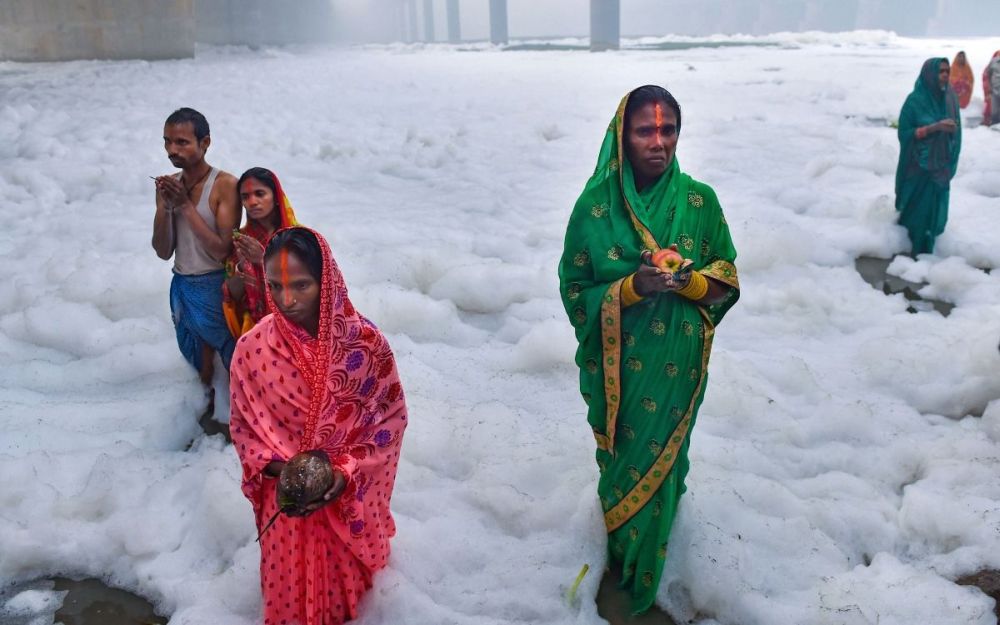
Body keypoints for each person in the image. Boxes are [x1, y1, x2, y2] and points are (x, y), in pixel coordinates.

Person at [558, 85, 739, 614]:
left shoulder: (701, 201)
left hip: (677, 366)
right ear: (623, 135)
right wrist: (633, 288)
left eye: (668, 129)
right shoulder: (595, 209)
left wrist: (689, 283)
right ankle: (619, 562)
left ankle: (661, 566)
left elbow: (726, 275)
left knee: (668, 463)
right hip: (624, 370)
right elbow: (575, 289)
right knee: (625, 462)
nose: (658, 141)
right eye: (645, 130)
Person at [229, 227, 407, 625]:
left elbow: (388, 422)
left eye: (302, 286)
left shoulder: (364, 345)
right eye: (274, 285)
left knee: (351, 607)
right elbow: (244, 430)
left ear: (327, 280)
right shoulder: (252, 349)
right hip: (287, 505)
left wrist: (342, 475)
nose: (287, 300)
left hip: (345, 503)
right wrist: (289, 472)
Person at [152, 107, 239, 388]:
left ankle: (234, 424)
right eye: (167, 141)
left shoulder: (225, 186)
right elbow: (163, 251)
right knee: (201, 371)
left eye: (181, 142)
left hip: (215, 287)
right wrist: (165, 209)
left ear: (205, 143)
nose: (171, 150)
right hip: (182, 285)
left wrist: (185, 207)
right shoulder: (169, 185)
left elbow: (222, 251)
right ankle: (204, 418)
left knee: (229, 364)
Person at [895, 58, 962, 256]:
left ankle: (928, 248)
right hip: (917, 166)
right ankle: (909, 247)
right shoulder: (914, 101)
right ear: (929, 74)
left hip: (939, 165)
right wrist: (935, 128)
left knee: (933, 210)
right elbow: (905, 133)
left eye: (947, 71)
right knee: (916, 210)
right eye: (940, 71)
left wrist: (951, 132)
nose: (945, 75)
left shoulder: (950, 99)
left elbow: (956, 133)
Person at [223, 167, 299, 338]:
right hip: (256, 330)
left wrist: (263, 260)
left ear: (276, 196)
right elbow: (233, 296)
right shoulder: (241, 239)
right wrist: (242, 268)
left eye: (260, 194)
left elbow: (308, 285)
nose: (252, 202)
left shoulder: (299, 237)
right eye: (245, 197)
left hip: (295, 325)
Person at [984, 50, 1000, 126]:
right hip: (995, 90)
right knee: (995, 112)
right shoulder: (994, 61)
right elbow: (988, 73)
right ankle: (994, 127)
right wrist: (989, 86)